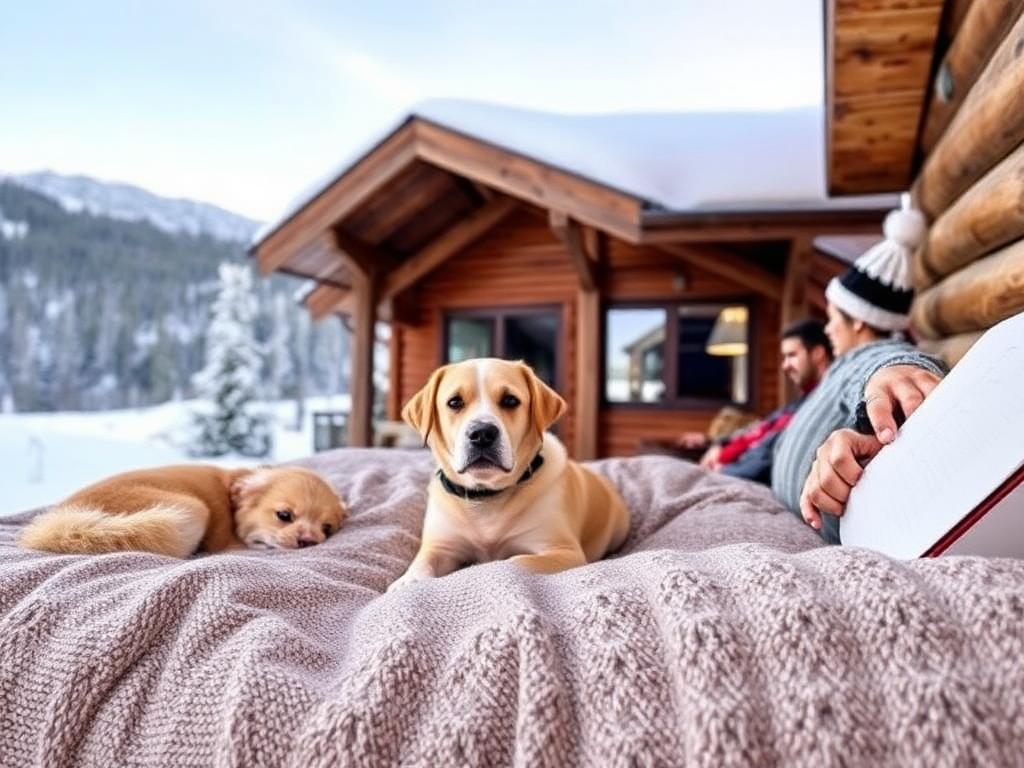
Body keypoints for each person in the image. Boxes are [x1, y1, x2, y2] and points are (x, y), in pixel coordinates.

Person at [770, 197, 947, 544]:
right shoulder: (841, 366)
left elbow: (885, 362)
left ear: (860, 322)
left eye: (833, 318)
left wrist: (895, 373)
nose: (828, 329)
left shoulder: (867, 357)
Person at [679, 319, 833, 484]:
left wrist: (722, 471)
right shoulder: (798, 402)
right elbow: (758, 431)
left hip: (732, 477)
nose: (784, 365)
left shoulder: (818, 407)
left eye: (792, 355)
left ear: (817, 353)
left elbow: (769, 458)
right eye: (784, 357)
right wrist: (718, 444)